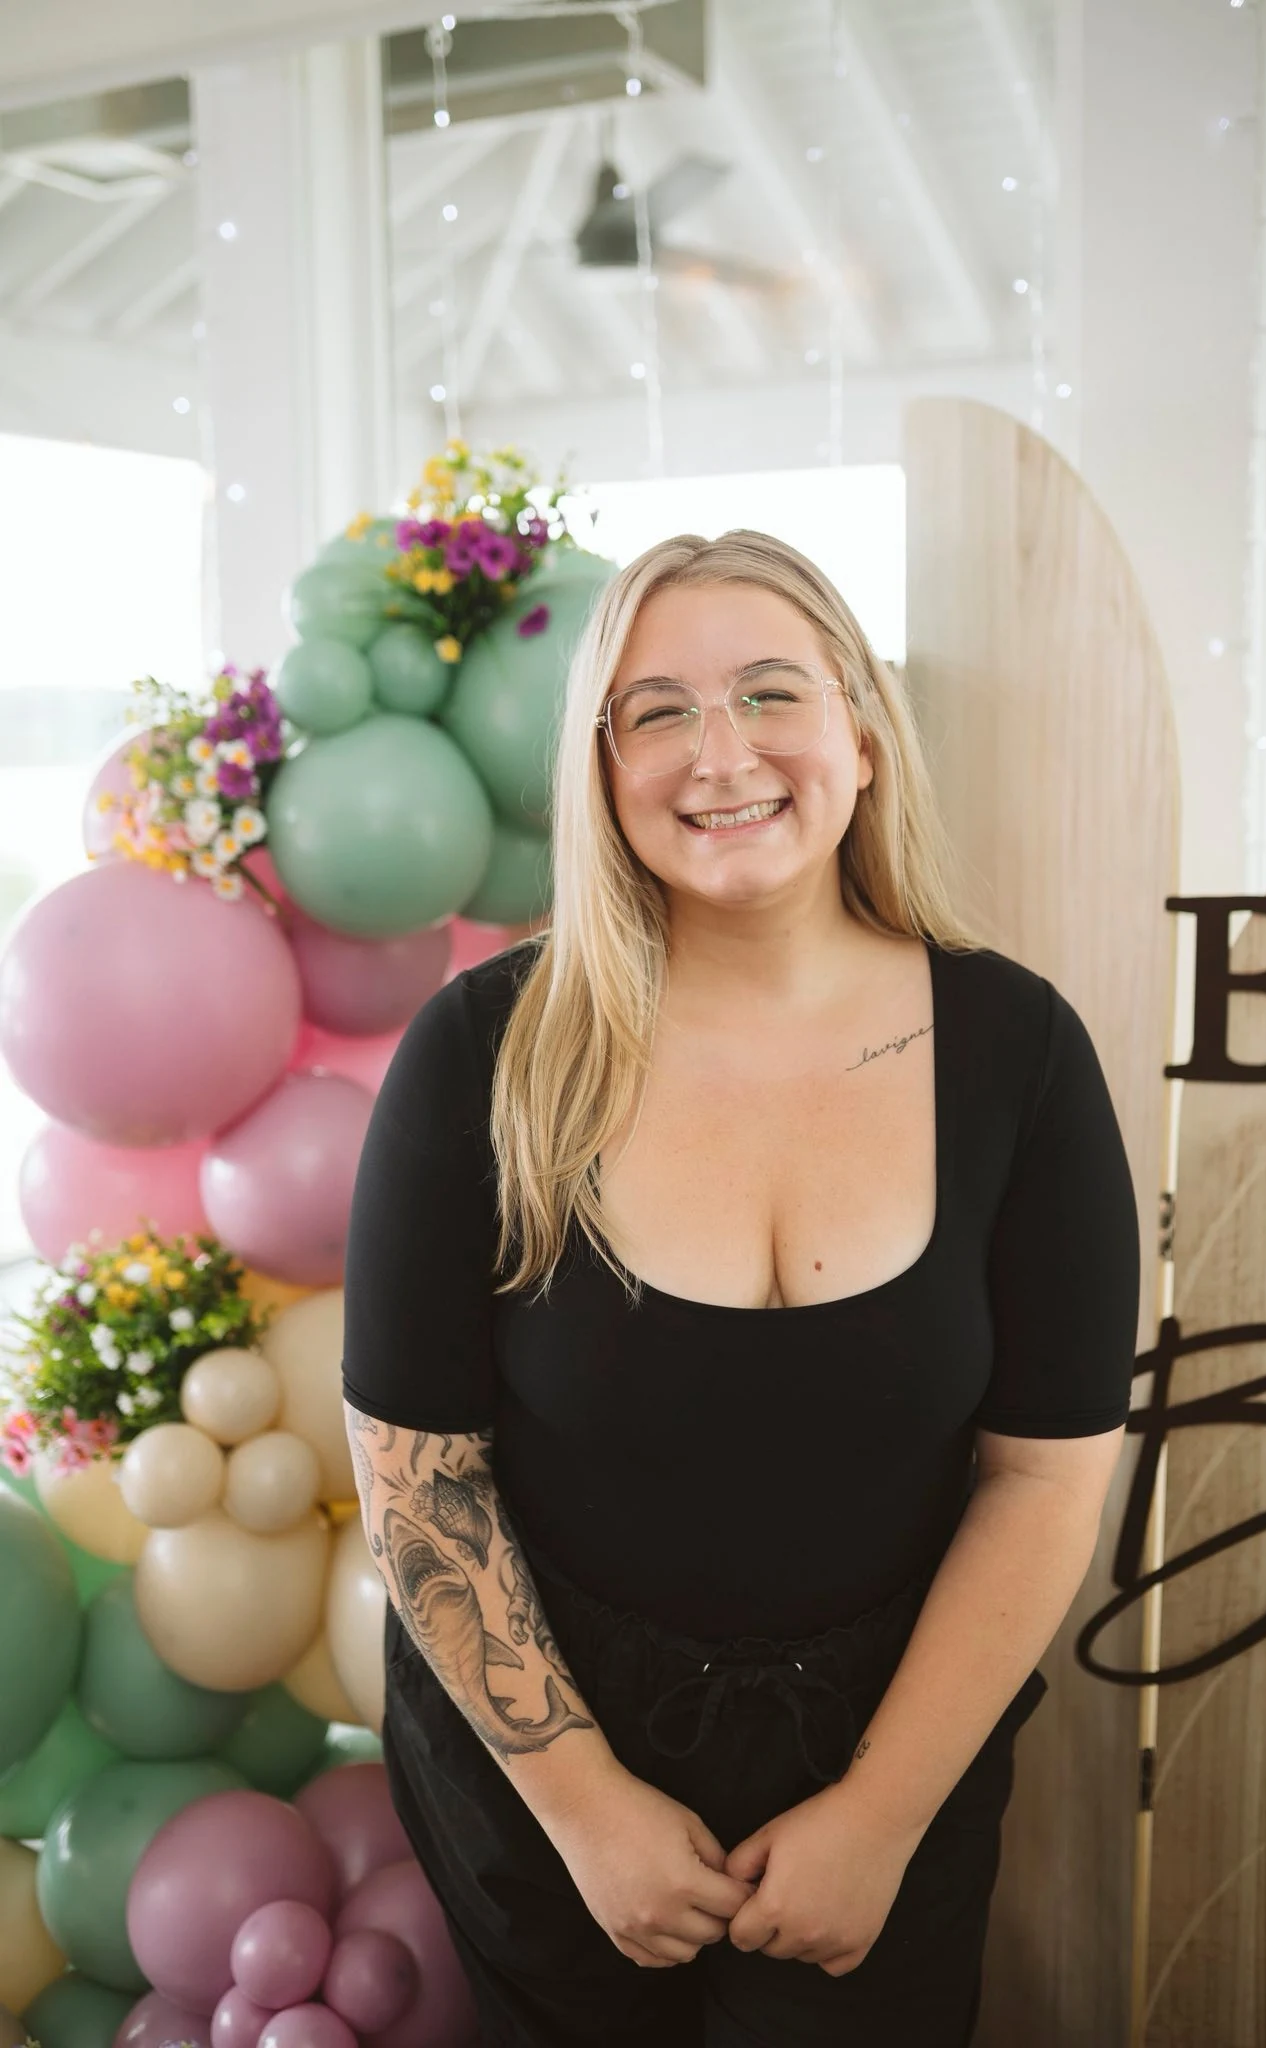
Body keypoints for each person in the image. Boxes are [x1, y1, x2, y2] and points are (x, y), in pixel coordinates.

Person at [340, 529, 1141, 2048]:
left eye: (769, 692)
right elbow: (420, 1480)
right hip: (544, 1769)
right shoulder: (480, 1055)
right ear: (600, 765)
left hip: (887, 1748)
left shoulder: (1018, 1053)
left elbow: (1040, 1482)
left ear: (857, 727)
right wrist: (586, 1816)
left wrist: (880, 1818)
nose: (719, 755)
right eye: (655, 711)